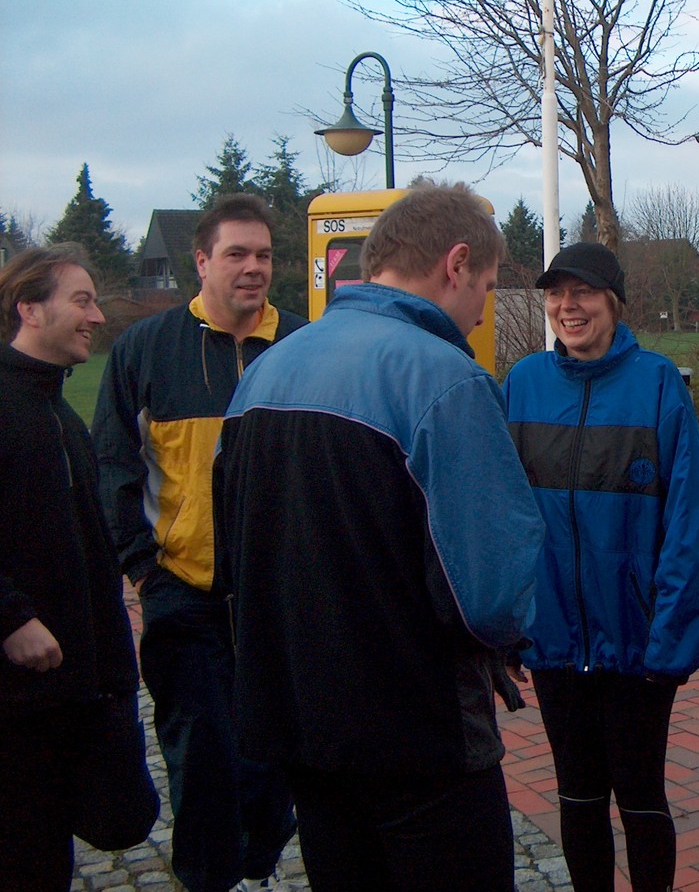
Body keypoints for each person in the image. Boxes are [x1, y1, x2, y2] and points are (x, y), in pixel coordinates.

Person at [213, 182, 546, 892]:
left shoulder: (265, 370)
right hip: (417, 733)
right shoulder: (444, 379)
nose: (481, 309)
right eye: (487, 287)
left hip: (299, 723)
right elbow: (489, 593)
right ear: (456, 263)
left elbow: (233, 548)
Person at [92, 194, 303, 892]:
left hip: (278, 599)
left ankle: (261, 855)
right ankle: (207, 876)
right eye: (236, 254)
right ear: (202, 260)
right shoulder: (146, 349)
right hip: (184, 592)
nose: (253, 267)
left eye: (263, 254)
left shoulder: (302, 346)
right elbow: (112, 464)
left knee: (276, 755)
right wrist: (142, 568)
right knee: (201, 758)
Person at [502, 241, 699, 892]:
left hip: (637, 644)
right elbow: (502, 516)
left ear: (613, 302)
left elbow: (686, 523)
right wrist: (508, 623)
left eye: (583, 292)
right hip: (555, 641)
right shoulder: (522, 384)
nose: (568, 306)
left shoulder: (658, 385)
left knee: (641, 795)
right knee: (577, 795)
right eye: (556, 294)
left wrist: (669, 639)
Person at [0, 245, 143, 892]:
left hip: (66, 696)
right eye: (81, 300)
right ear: (30, 309)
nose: (97, 316)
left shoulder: (57, 411)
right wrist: (11, 617)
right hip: (15, 702)